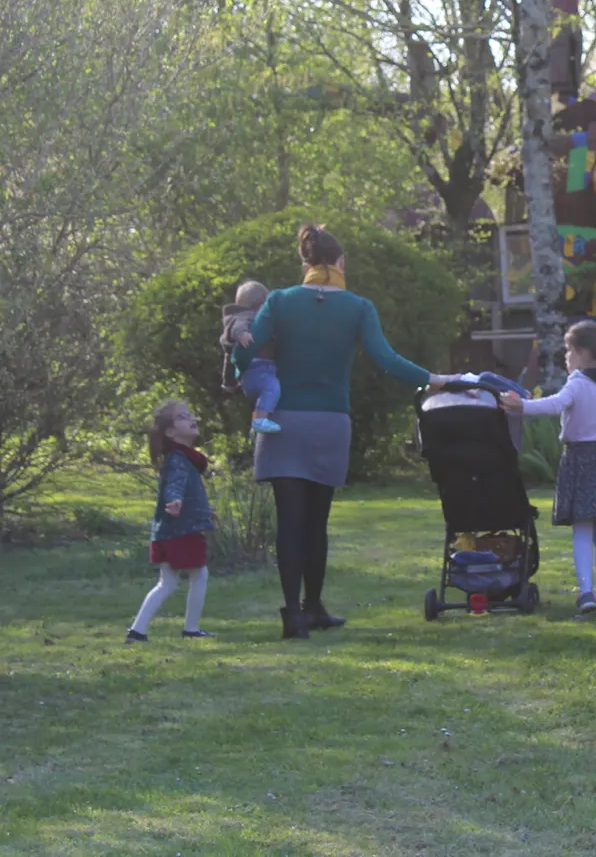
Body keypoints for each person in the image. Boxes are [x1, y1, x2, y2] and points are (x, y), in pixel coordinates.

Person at [234, 222, 450, 640]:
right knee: (317, 521)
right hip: (330, 423)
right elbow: (385, 358)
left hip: (283, 423)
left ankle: (292, 615)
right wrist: (431, 379)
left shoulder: (278, 301)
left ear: (305, 261)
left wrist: (252, 380)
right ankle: (313, 605)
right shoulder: (358, 308)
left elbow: (245, 353)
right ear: (341, 262)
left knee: (289, 523)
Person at [500, 321, 596, 614]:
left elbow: (555, 404)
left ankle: (586, 592)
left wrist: (521, 406)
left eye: (569, 351)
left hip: (580, 459)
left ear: (583, 352)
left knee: (582, 529)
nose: (566, 357)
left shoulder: (579, 383)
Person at [127, 400, 217, 642]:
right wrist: (174, 501)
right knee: (200, 575)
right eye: (183, 417)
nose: (192, 419)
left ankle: (138, 630)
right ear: (169, 431)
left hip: (168, 530)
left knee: (167, 583)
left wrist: (204, 511)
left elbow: (186, 491)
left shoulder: (182, 458)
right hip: (181, 530)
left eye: (190, 414)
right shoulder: (179, 459)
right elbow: (175, 486)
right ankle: (191, 629)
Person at [220, 279, 281, 435]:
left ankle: (257, 424)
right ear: (260, 305)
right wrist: (242, 334)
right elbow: (237, 325)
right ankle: (259, 421)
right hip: (256, 369)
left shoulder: (256, 319)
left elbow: (228, 359)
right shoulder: (245, 318)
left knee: (267, 395)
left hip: (260, 370)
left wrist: (229, 383)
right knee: (271, 388)